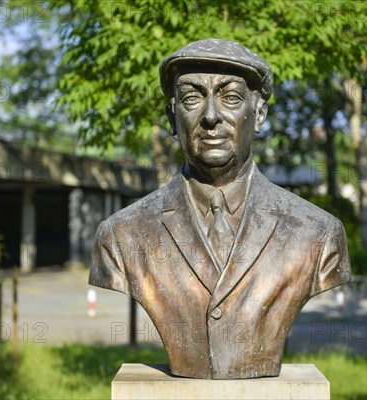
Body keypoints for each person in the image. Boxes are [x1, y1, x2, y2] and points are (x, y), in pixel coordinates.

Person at [89, 38, 351, 379]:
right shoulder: (122, 234)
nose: (211, 116)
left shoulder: (318, 233)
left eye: (230, 97)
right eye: (191, 98)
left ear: (258, 114)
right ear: (172, 117)